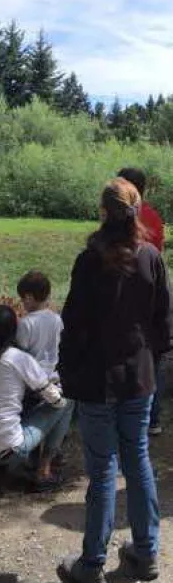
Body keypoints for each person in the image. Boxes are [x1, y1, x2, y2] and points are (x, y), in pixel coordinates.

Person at [57, 177, 172, 583]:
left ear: (103, 212)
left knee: (104, 470)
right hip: (138, 378)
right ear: (137, 213)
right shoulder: (152, 258)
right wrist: (150, 362)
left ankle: (92, 567)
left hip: (97, 380)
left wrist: (66, 371)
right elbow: (164, 323)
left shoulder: (90, 261)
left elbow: (75, 324)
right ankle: (145, 552)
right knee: (137, 457)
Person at [0, 305, 74, 499]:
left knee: (10, 419)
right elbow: (52, 397)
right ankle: (44, 470)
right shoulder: (18, 358)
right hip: (7, 445)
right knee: (67, 401)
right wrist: (54, 397)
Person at [117, 168, 168, 436]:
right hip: (151, 291)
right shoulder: (155, 217)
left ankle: (134, 414)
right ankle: (152, 418)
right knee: (152, 354)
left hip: (129, 292)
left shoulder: (129, 217)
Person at [16, 271, 63, 381]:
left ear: (28, 297)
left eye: (22, 299)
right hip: (53, 375)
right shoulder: (56, 319)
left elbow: (20, 354)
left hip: (32, 377)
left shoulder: (26, 323)